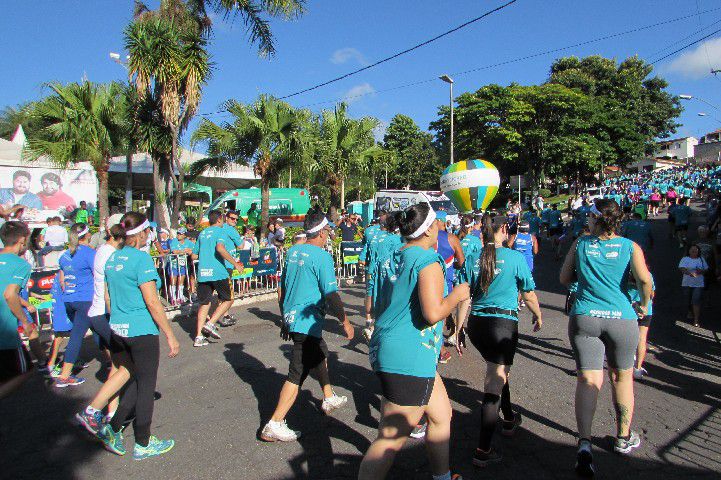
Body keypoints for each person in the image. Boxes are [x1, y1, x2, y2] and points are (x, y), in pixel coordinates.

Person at [358, 204, 468, 480]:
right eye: (437, 224)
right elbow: (433, 313)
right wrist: (457, 294)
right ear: (430, 228)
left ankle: (442, 476)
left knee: (441, 415)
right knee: (390, 439)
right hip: (409, 354)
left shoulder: (392, 254)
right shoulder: (428, 261)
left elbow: (382, 300)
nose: (440, 229)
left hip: (392, 347)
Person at [560, 199, 652, 477]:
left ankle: (585, 445)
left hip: (585, 315)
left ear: (597, 219)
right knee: (622, 377)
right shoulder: (629, 246)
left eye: (589, 216)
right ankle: (622, 437)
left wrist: (583, 279)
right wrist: (644, 304)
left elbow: (564, 277)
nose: (585, 220)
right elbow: (645, 281)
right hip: (621, 318)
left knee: (588, 379)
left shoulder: (580, 244)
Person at [260, 213, 354, 442]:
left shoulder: (292, 252)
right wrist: (345, 321)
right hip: (306, 323)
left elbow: (283, 289)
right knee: (297, 374)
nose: (329, 234)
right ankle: (274, 423)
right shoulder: (322, 257)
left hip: (294, 318)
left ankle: (328, 395)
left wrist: (284, 318)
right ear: (321, 233)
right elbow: (331, 294)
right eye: (328, 231)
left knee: (320, 353)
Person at [459, 214, 542, 466]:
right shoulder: (515, 257)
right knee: (494, 380)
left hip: (477, 325)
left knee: (499, 370)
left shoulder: (474, 257)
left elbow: (464, 296)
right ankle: (483, 449)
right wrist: (538, 315)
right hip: (502, 325)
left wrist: (460, 328)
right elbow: (528, 294)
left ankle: (508, 418)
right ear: (503, 229)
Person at [97, 211, 180, 460]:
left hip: (118, 329)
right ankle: (143, 442)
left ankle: (112, 429)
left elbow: (108, 297)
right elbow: (153, 302)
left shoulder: (112, 259)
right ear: (142, 232)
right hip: (140, 330)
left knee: (133, 380)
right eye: (148, 232)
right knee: (146, 386)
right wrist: (170, 335)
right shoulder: (141, 260)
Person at [75, 222, 126, 434]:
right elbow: (107, 291)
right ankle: (92, 410)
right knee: (126, 365)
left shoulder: (103, 250)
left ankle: (111, 413)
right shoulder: (108, 255)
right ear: (120, 238)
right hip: (104, 314)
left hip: (99, 314)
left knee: (117, 363)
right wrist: (117, 316)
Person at [0, 221, 46, 399]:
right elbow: (10, 294)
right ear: (21, 240)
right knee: (26, 371)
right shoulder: (21, 265)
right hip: (6, 334)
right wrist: (26, 322)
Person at [53, 223, 98, 387]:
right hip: (85, 300)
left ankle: (113, 361)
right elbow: (99, 275)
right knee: (77, 336)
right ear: (87, 236)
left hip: (69, 300)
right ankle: (64, 375)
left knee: (98, 330)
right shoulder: (89, 254)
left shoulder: (64, 255)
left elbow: (62, 278)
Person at [192, 210, 243, 347]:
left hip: (203, 273)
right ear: (220, 220)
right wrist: (235, 263)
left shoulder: (202, 233)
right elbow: (220, 248)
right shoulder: (220, 231)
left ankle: (198, 337)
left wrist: (206, 255)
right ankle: (210, 323)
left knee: (204, 304)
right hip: (218, 272)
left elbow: (193, 256)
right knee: (229, 299)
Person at [630, 273, 655, 380]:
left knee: (625, 336)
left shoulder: (624, 273)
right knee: (641, 339)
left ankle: (622, 363)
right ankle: (637, 368)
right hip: (645, 309)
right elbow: (652, 294)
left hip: (628, 308)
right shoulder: (647, 275)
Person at [679, 244, 708, 327]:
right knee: (688, 299)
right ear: (689, 251)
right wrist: (690, 273)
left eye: (695, 250)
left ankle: (696, 319)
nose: (694, 251)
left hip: (698, 284)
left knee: (696, 300)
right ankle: (690, 310)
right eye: (692, 250)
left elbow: (706, 269)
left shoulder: (701, 259)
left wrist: (700, 271)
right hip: (687, 283)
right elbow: (682, 269)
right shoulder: (685, 259)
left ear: (698, 252)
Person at [168, 228, 194, 306]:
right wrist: (185, 251)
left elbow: (193, 250)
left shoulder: (188, 242)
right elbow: (174, 251)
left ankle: (180, 296)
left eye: (180, 234)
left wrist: (189, 251)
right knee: (173, 280)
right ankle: (173, 297)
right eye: (178, 233)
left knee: (181, 280)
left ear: (184, 235)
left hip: (183, 264)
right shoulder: (174, 241)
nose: (178, 235)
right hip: (174, 264)